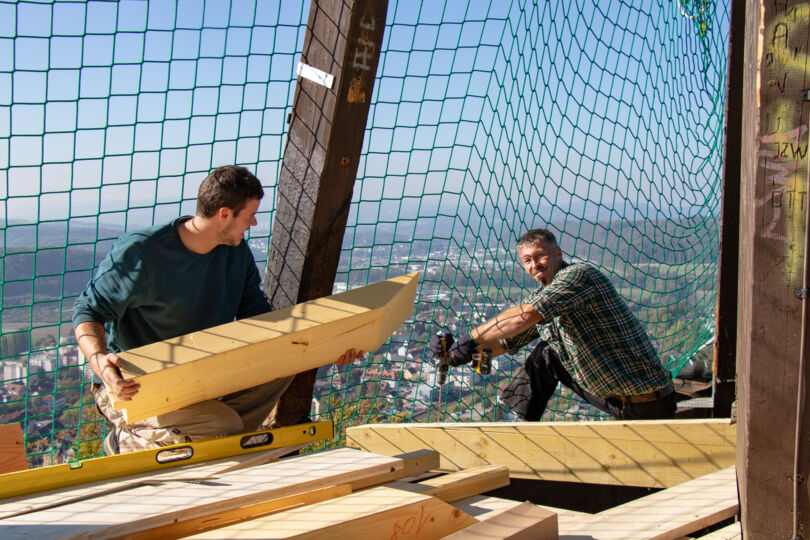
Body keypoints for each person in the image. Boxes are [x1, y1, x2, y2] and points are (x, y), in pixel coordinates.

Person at [73, 165, 361, 454]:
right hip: (134, 388)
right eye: (249, 216)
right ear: (224, 214)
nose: (254, 223)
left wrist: (326, 347)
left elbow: (263, 322)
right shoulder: (141, 253)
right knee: (220, 423)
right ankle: (129, 441)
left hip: (199, 378)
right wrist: (101, 364)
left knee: (283, 366)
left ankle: (199, 435)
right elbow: (87, 311)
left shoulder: (236, 252)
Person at [429, 228, 675, 421]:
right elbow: (505, 342)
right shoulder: (544, 297)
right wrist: (453, 355)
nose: (534, 265)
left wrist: (469, 339)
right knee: (546, 354)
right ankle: (520, 425)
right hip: (615, 399)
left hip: (647, 404)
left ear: (558, 254)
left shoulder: (578, 276)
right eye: (527, 260)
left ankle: (520, 425)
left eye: (539, 256)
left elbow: (524, 316)